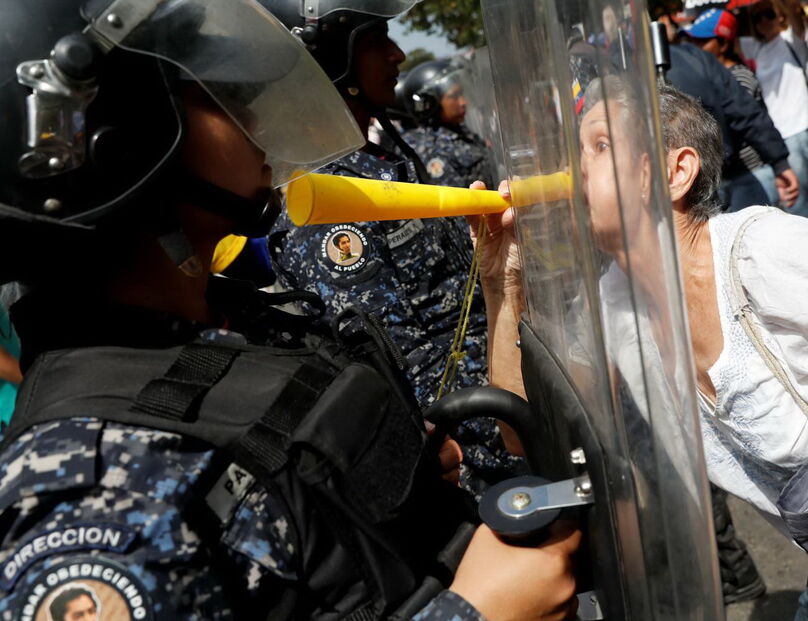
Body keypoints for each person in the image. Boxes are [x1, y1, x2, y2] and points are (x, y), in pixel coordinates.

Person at [0, 1, 581, 619]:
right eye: (209, 88)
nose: (248, 108)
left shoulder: (229, 328)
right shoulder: (92, 489)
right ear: (125, 140)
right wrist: (478, 613)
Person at [482, 73, 808, 618]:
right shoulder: (613, 305)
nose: (574, 171)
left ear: (675, 172)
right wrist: (500, 282)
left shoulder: (766, 254)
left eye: (600, 146)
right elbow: (523, 433)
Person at [260, 0, 520, 495]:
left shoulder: (381, 158)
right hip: (479, 454)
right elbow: (396, 354)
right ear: (332, 58)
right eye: (378, 41)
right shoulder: (326, 193)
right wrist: (489, 447)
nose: (399, 54)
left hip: (505, 404)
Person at [665, 41, 800, 213]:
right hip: (704, 181)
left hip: (717, 178)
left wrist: (779, 161)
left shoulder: (693, 57)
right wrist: (779, 162)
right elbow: (743, 110)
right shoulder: (693, 56)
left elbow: (743, 109)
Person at [681, 8, 781, 207]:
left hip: (751, 175)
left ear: (724, 43)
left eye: (703, 41)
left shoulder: (739, 77)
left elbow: (740, 124)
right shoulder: (704, 79)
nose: (695, 47)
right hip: (728, 179)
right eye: (693, 41)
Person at [740, 0, 808, 219]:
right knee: (789, 203)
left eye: (768, 14)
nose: (764, 21)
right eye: (757, 18)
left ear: (779, 15)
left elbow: (796, 19)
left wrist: (781, 3)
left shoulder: (791, 40)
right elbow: (722, 41)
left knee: (796, 202)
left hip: (798, 128)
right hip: (775, 135)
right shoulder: (757, 49)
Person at [402, 59, 496, 190]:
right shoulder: (429, 148)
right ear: (429, 103)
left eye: (461, 94)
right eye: (454, 96)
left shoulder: (460, 131)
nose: (463, 102)